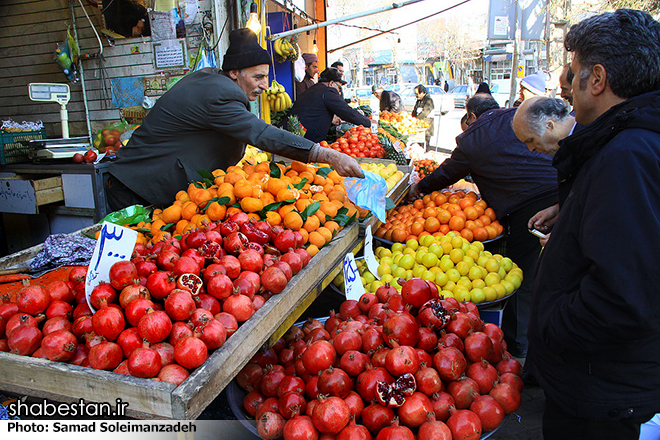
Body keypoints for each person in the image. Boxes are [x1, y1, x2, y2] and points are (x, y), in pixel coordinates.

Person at [527, 9, 660, 439]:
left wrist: (552, 324)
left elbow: (622, 296)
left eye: (575, 70)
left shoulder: (627, 155)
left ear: (597, 79)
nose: (568, 83)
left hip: (599, 385)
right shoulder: (631, 142)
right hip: (607, 376)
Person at [106, 29, 363, 210]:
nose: (264, 85)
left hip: (149, 188)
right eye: (258, 77)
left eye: (265, 77)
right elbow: (261, 134)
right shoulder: (219, 94)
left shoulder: (214, 83)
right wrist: (326, 155)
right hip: (136, 190)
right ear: (234, 73)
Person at [409, 93, 558, 358]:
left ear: (472, 117)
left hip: (530, 207)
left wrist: (419, 187)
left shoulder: (472, 137)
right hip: (559, 195)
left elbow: (447, 172)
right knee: (552, 269)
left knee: (523, 276)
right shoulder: (515, 117)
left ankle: (519, 345)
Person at [512, 96, 575, 245]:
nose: (531, 149)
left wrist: (564, 237)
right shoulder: (568, 148)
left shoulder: (586, 146)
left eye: (531, 140)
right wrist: (560, 209)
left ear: (550, 125)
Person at [289, 68, 370, 143]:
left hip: (295, 133)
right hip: (305, 137)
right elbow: (346, 111)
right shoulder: (327, 91)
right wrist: (368, 123)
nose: (339, 92)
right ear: (331, 83)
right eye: (339, 88)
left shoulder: (314, 89)